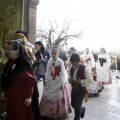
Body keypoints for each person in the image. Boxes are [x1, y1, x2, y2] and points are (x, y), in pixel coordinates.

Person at [0, 40, 41, 120]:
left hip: (21, 98)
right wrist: (4, 91)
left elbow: (30, 81)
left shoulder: (24, 63)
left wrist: (28, 96)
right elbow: (7, 77)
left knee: (20, 116)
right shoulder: (10, 62)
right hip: (13, 97)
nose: (7, 51)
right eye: (7, 49)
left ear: (17, 50)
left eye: (10, 49)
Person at [40, 48, 72, 119]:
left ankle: (59, 113)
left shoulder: (60, 61)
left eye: (55, 54)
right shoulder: (49, 61)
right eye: (52, 54)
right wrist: (46, 81)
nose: (53, 55)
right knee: (47, 94)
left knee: (59, 95)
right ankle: (47, 112)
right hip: (51, 80)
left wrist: (63, 83)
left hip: (58, 80)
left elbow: (63, 72)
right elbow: (47, 71)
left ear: (58, 54)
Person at [69, 53, 93, 120]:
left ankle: (77, 118)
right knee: (73, 104)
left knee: (77, 107)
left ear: (79, 61)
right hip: (74, 89)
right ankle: (82, 109)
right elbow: (70, 77)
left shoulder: (85, 69)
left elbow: (91, 80)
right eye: (72, 64)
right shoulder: (71, 68)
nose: (74, 66)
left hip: (81, 90)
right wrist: (70, 80)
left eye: (75, 64)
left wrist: (81, 81)